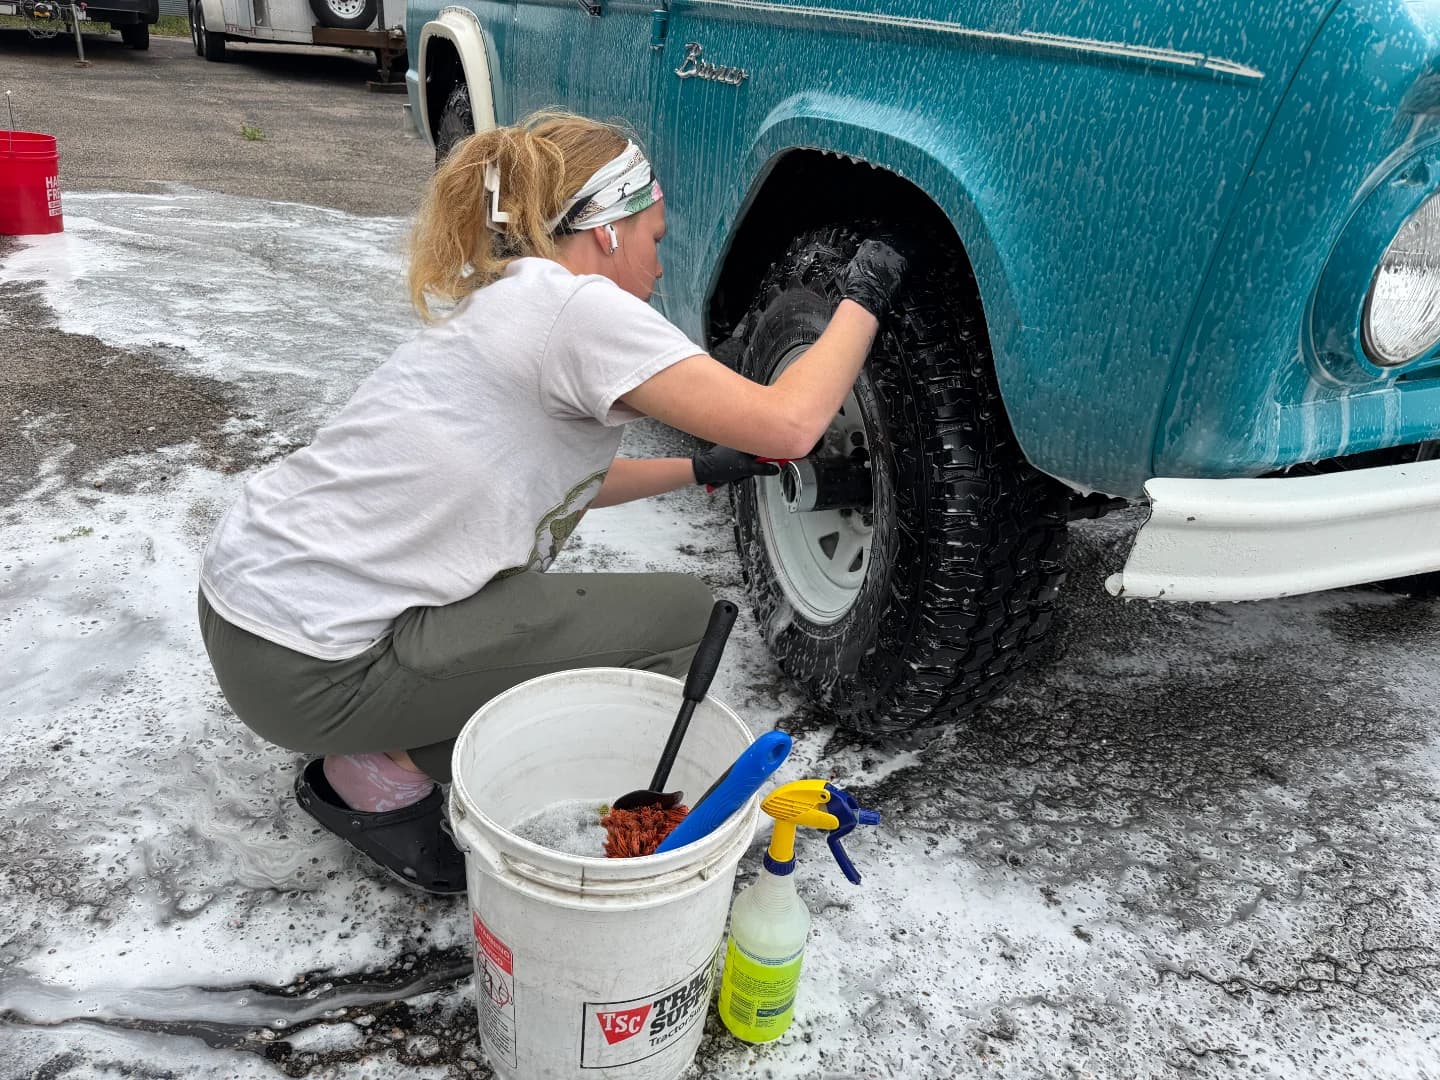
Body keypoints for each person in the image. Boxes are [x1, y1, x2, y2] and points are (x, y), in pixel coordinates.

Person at [196, 111, 906, 894]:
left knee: (554, 611)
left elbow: (555, 484)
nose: (660, 268)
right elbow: (793, 423)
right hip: (307, 666)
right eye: (657, 238)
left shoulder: (511, 301)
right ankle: (376, 773)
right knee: (675, 624)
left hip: (251, 617)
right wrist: (864, 296)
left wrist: (701, 470)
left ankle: (380, 743)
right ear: (606, 230)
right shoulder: (579, 311)